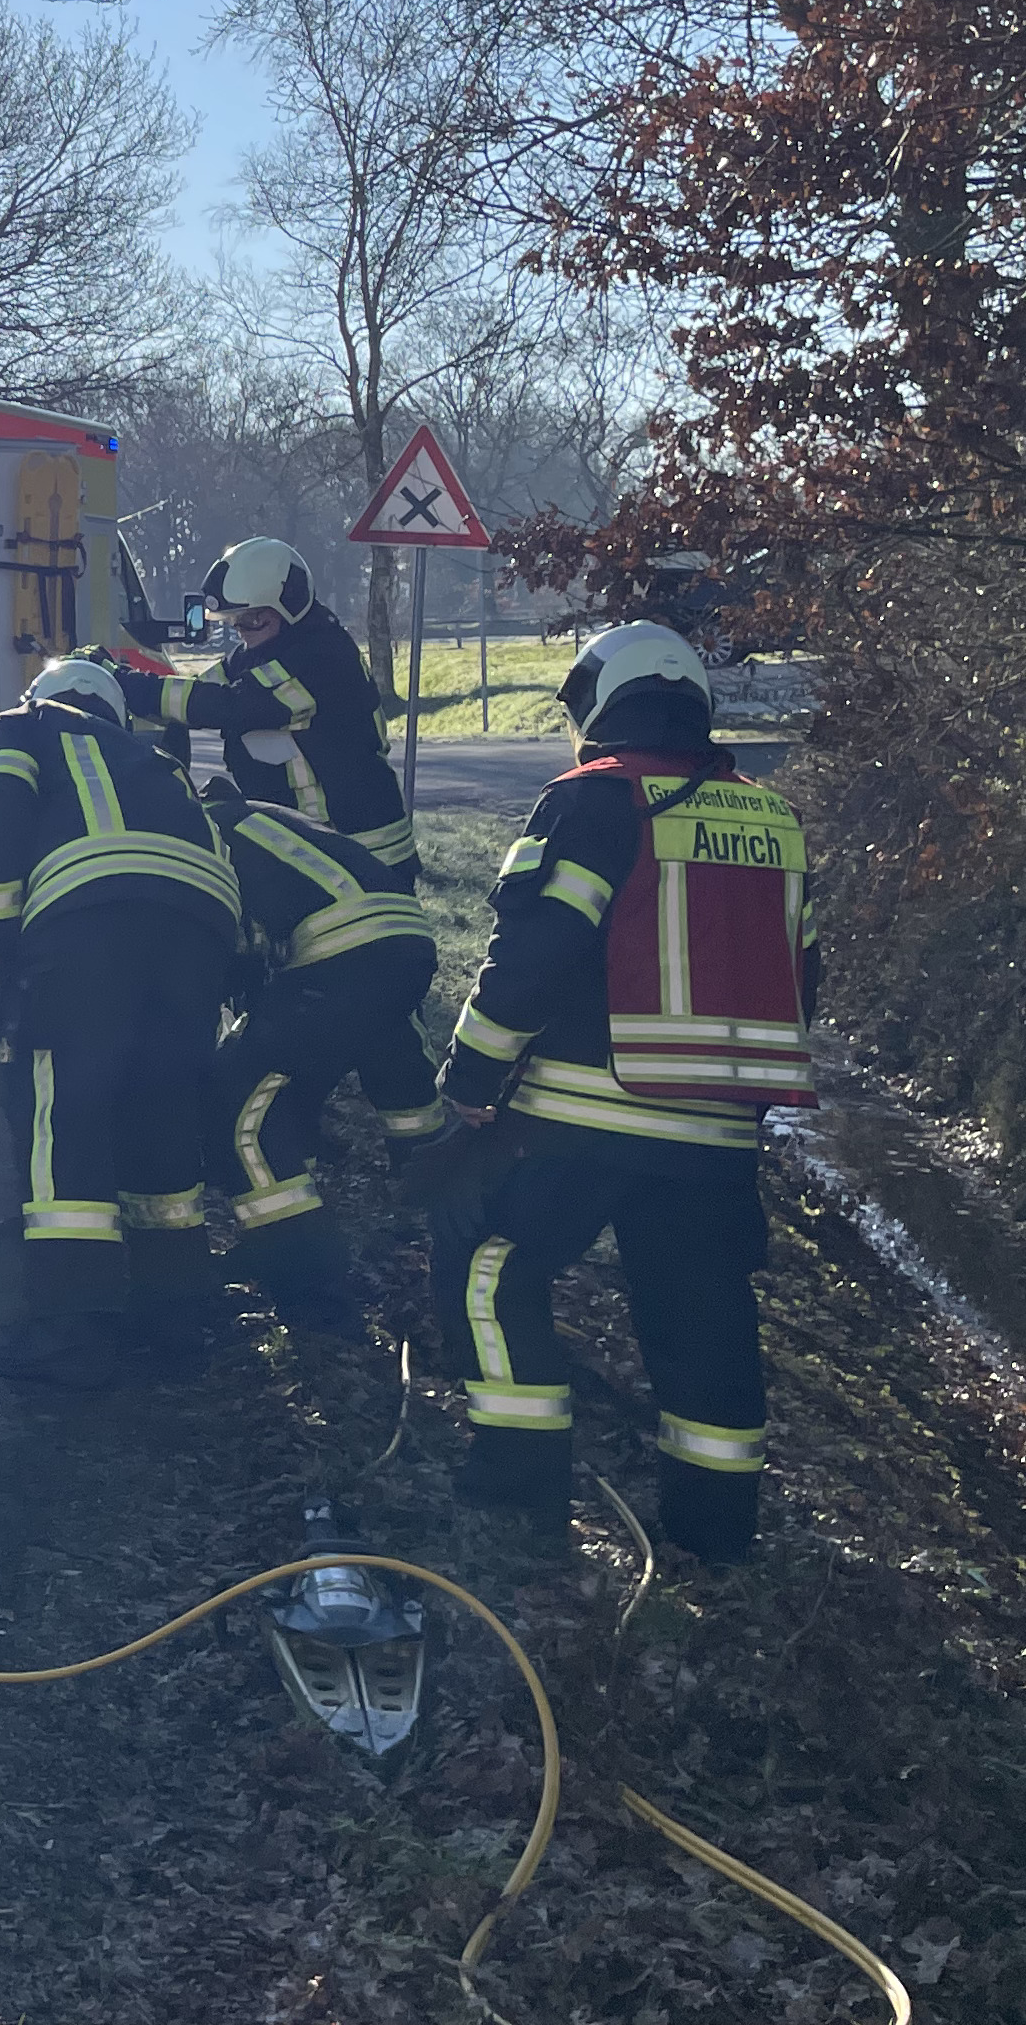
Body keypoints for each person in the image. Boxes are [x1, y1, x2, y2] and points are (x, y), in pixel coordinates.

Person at [432, 621, 818, 1568]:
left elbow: (532, 955)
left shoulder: (594, 800)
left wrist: (470, 1079)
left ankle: (521, 1489)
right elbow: (802, 978)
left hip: (581, 1117)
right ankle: (715, 1534)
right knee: (705, 1325)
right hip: (718, 1140)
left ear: (602, 702)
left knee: (490, 1266)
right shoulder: (774, 821)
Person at [0, 655, 246, 1388]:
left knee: (67, 1111)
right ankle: (174, 1315)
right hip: (199, 932)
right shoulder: (158, 762)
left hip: (91, 923)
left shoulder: (25, 726)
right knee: (161, 1108)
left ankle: (70, 1330)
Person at [205, 786, 443, 1332]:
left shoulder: (202, 828)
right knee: (384, 1067)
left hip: (338, 953)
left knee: (237, 1114)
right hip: (405, 937)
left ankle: (311, 1292)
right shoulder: (258, 815)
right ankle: (440, 1218)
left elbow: (227, 949)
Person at [124, 538, 419, 880]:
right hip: (318, 843)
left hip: (364, 849)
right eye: (234, 620)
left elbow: (230, 705)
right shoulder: (261, 650)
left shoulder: (321, 658)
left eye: (251, 619)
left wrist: (130, 686)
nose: (240, 629)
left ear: (288, 605)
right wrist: (121, 681)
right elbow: (200, 692)